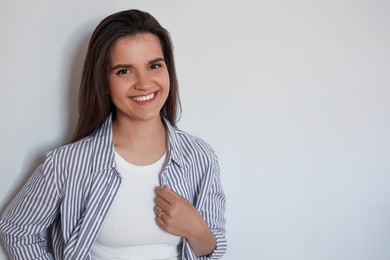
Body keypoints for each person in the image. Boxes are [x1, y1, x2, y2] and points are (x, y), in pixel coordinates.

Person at [0, 9, 227, 260]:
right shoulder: (67, 164)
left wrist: (197, 231)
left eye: (154, 66)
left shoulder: (200, 157)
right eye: (124, 71)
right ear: (103, 82)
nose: (144, 83)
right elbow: (16, 231)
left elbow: (212, 250)